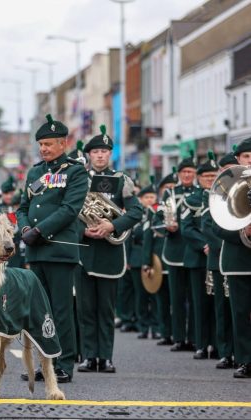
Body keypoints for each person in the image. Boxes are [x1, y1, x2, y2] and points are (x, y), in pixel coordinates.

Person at [17, 113, 88, 383]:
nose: (44, 149)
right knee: (40, 311)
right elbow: (24, 207)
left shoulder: (75, 171)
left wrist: (40, 230)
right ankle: (45, 363)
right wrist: (25, 229)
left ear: (63, 143)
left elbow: (70, 209)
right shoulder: (36, 172)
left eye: (49, 144)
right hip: (36, 249)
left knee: (60, 310)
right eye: (41, 144)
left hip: (59, 250)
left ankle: (64, 363)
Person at [76, 125, 142, 374]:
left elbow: (136, 211)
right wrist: (83, 230)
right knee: (85, 308)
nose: (101, 156)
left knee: (106, 309)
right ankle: (88, 356)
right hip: (84, 249)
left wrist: (111, 224)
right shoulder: (79, 178)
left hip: (110, 251)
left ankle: (106, 357)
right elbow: (70, 212)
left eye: (105, 151)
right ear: (89, 155)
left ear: (110, 155)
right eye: (96, 152)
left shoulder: (121, 179)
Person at [213, 138, 251, 379]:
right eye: (247, 157)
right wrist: (243, 232)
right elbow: (218, 225)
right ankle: (246, 360)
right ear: (238, 159)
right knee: (240, 313)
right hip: (237, 260)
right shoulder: (226, 185)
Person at [157, 152, 201, 352]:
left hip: (194, 250)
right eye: (184, 172)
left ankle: (194, 338)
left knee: (194, 298)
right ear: (179, 173)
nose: (187, 175)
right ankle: (178, 338)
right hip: (174, 251)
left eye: (190, 171)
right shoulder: (170, 194)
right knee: (176, 297)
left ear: (195, 173)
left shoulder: (201, 193)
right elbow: (159, 219)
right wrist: (168, 226)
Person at [180, 151, 218, 360]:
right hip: (197, 258)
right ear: (199, 178)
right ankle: (201, 344)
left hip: (218, 255)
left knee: (217, 304)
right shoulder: (191, 199)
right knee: (199, 303)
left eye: (214, 176)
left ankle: (219, 345)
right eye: (207, 177)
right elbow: (186, 227)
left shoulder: (223, 197)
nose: (210, 180)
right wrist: (204, 244)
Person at [202, 149, 237, 369]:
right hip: (219, 257)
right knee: (222, 309)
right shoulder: (215, 194)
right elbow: (207, 225)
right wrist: (224, 245)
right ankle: (225, 352)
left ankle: (242, 352)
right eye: (223, 170)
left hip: (239, 255)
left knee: (239, 309)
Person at [143, 171, 177, 345]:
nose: (170, 190)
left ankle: (181, 334)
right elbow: (149, 237)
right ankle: (165, 332)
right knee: (161, 301)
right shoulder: (155, 210)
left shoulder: (181, 204)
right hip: (160, 262)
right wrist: (146, 262)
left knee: (178, 301)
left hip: (177, 259)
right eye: (167, 188)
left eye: (172, 187)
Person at [129, 181, 158, 339]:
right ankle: (143, 326)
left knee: (154, 294)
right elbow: (130, 236)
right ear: (140, 199)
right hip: (137, 257)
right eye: (146, 197)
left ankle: (156, 326)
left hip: (155, 259)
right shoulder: (136, 215)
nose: (149, 200)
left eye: (152, 196)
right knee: (140, 295)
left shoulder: (158, 214)